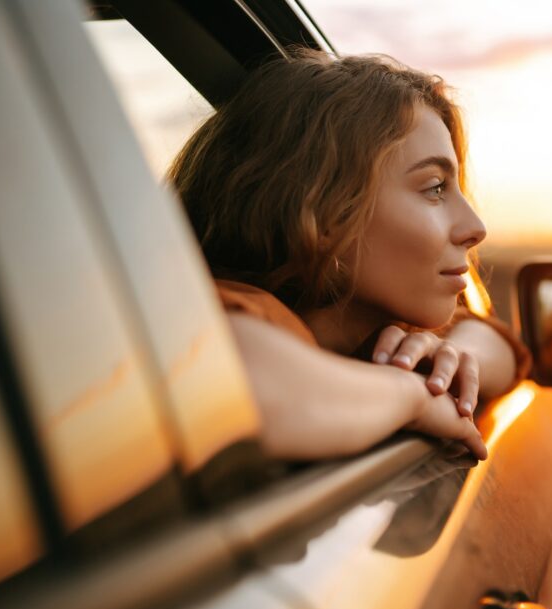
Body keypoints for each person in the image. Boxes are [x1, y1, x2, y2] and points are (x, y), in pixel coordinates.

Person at [168, 49, 530, 461]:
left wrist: (460, 359)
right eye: (434, 188)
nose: (476, 229)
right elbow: (232, 386)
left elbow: (500, 344)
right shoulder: (247, 313)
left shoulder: (377, 334)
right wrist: (414, 397)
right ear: (325, 214)